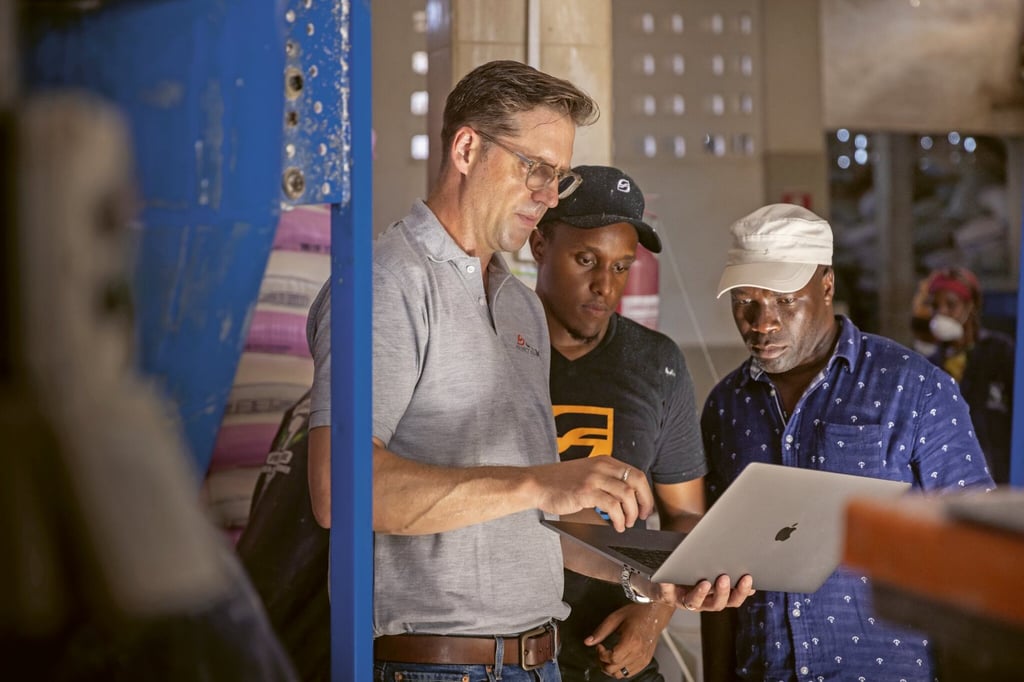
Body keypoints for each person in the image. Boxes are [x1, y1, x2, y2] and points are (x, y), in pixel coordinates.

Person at [305, 60, 751, 680]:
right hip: (437, 665)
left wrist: (649, 577)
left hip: (538, 661)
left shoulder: (519, 306)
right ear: (467, 149)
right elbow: (338, 489)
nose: (548, 196)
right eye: (535, 168)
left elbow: (530, 519)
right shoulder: (387, 284)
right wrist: (540, 483)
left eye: (560, 178)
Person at [700, 203, 995, 681]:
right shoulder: (726, 406)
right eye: (744, 301)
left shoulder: (914, 389)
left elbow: (978, 551)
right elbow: (714, 569)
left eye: (785, 301)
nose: (762, 322)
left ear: (827, 285)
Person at [529, 165, 708, 681]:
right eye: (586, 260)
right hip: (504, 651)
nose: (604, 286)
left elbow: (685, 516)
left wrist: (653, 616)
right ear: (539, 245)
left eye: (622, 266)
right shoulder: (497, 349)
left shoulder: (656, 363)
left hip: (613, 654)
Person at [910, 266, 1014, 484]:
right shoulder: (930, 365)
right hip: (949, 475)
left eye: (951, 305)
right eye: (936, 306)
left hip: (998, 472)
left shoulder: (1000, 352)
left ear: (971, 305)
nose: (942, 313)